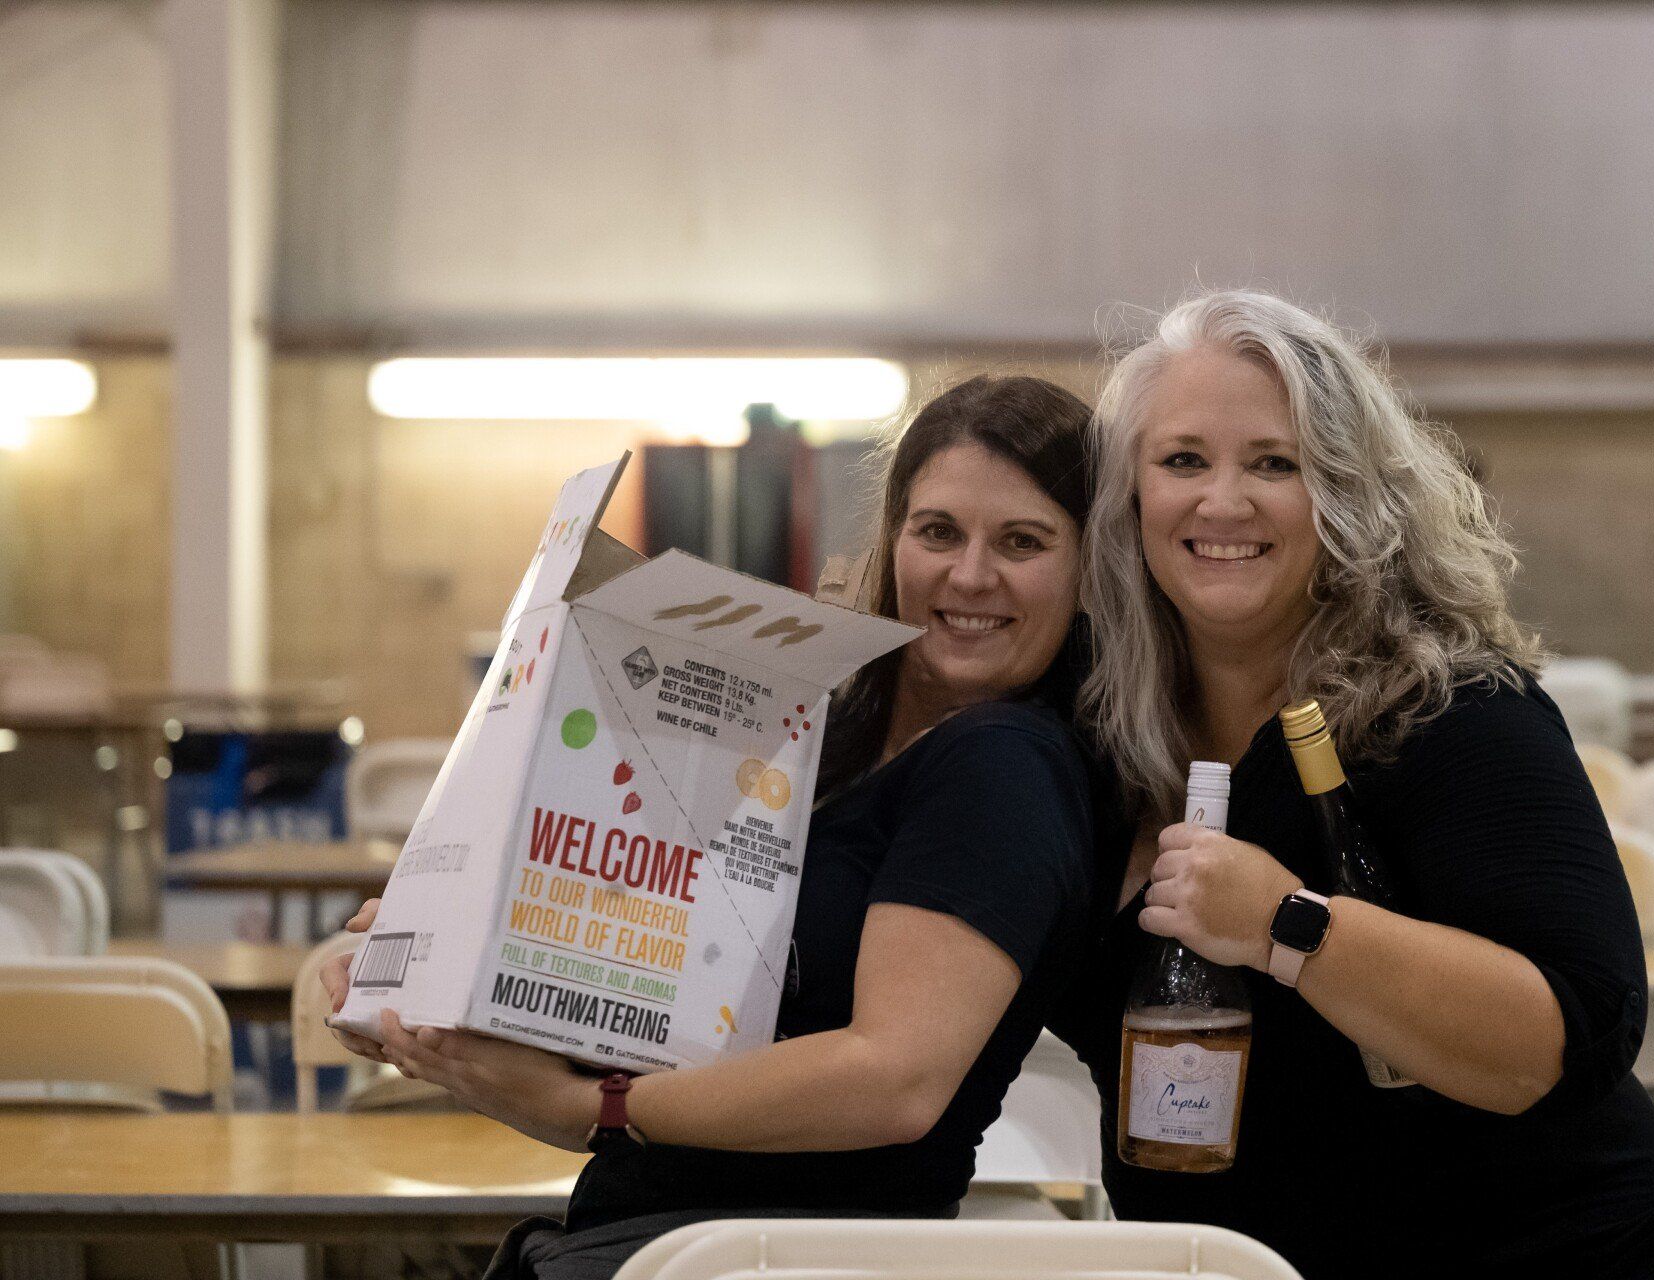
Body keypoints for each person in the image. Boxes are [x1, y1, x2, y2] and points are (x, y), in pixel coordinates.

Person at [322, 374, 1100, 1279]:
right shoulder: (822, 734)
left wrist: (595, 1108)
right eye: (937, 532)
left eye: (1022, 542)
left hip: (777, 1262)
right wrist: (439, 967)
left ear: (1090, 571)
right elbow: (655, 995)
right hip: (661, 1240)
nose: (969, 574)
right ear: (893, 539)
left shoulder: (1003, 765)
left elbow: (893, 1082)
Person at [1049, 291, 1654, 1280]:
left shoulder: (1452, 708)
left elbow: (1574, 1031)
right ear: (1128, 495)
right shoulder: (1092, 726)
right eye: (1183, 459)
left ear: (1349, 493)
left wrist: (1286, 925)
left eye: (1275, 463)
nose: (1223, 500)